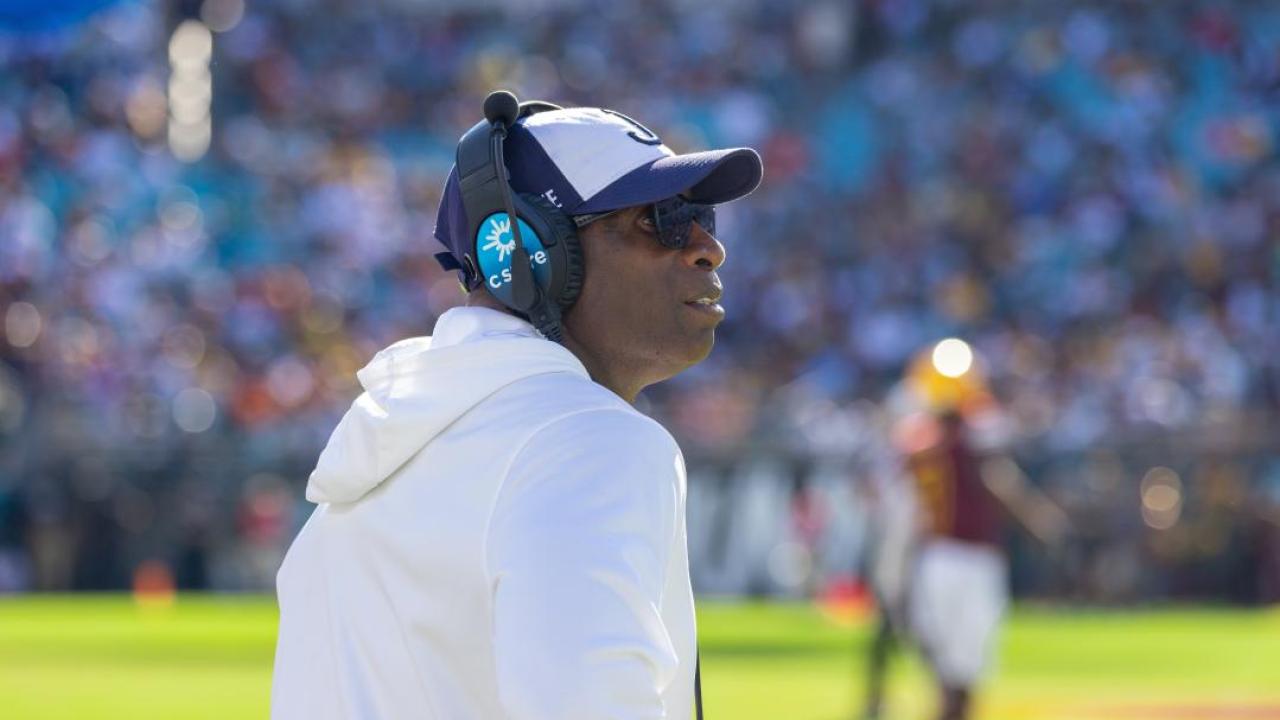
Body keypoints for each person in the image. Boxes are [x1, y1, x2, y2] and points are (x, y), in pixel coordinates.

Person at [270, 91, 763, 720]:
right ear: (526, 251)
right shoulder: (587, 443)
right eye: (659, 218)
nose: (706, 247)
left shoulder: (381, 455)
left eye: (703, 219)